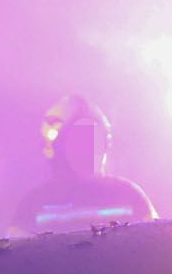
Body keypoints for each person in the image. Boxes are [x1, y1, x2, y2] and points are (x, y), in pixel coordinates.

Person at [11, 95, 157, 234]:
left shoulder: (130, 195)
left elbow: (158, 246)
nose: (88, 147)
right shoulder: (33, 205)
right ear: (58, 148)